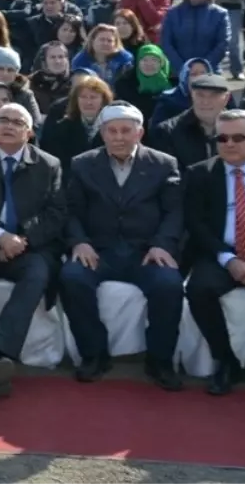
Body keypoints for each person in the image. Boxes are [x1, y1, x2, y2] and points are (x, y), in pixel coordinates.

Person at [57, 103, 185, 390]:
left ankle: (159, 360)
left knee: (169, 285)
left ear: (140, 132)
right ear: (102, 133)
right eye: (111, 131)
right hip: (99, 250)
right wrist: (79, 242)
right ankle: (94, 355)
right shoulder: (82, 163)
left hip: (145, 251)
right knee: (72, 278)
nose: (118, 137)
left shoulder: (164, 164)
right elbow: (71, 211)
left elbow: (174, 212)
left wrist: (162, 245)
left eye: (126, 130)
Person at [0, 103, 67, 397]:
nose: (8, 125)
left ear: (29, 132)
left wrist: (21, 240)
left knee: (37, 276)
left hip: (29, 249)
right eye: (2, 120)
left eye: (17, 122)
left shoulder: (49, 164)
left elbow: (55, 213)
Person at [183, 109, 245, 400]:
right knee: (199, 290)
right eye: (222, 138)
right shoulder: (200, 173)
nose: (229, 144)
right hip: (220, 253)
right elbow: (195, 225)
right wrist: (229, 260)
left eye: (239, 137)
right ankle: (225, 361)